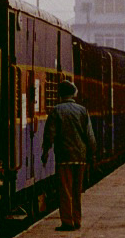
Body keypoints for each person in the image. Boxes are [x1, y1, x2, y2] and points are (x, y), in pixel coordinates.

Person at [41, 80, 96, 230]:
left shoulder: (56, 110)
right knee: (77, 191)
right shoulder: (82, 110)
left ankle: (67, 221)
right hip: (81, 157)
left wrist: (45, 152)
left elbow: (49, 134)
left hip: (64, 156)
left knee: (65, 190)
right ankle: (77, 220)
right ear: (74, 94)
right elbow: (90, 136)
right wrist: (91, 154)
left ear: (60, 94)